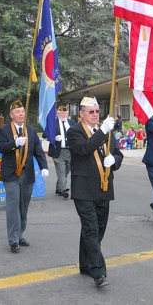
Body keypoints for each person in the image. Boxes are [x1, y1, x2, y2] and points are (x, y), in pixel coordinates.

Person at [66, 96, 123, 288]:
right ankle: (98, 272)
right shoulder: (74, 132)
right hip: (83, 189)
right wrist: (103, 132)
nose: (95, 115)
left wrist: (114, 160)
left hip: (104, 187)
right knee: (90, 229)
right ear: (81, 114)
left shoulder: (104, 130)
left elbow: (118, 153)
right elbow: (84, 149)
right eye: (91, 111)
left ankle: (86, 264)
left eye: (97, 111)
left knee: (98, 229)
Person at [0, 100, 49, 253]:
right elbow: (1, 147)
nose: (21, 114)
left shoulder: (31, 131)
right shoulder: (4, 130)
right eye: (18, 112)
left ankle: (20, 235)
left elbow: (38, 152)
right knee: (13, 206)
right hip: (11, 174)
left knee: (23, 206)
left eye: (23, 112)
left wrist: (44, 167)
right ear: (11, 115)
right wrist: (14, 143)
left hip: (27, 175)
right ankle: (13, 240)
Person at [44, 105, 75, 199]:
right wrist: (53, 138)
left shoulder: (72, 123)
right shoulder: (53, 123)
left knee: (67, 170)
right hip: (58, 150)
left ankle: (59, 188)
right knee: (61, 170)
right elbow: (45, 134)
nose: (63, 114)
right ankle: (64, 189)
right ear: (58, 113)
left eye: (65, 113)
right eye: (61, 113)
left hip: (70, 151)